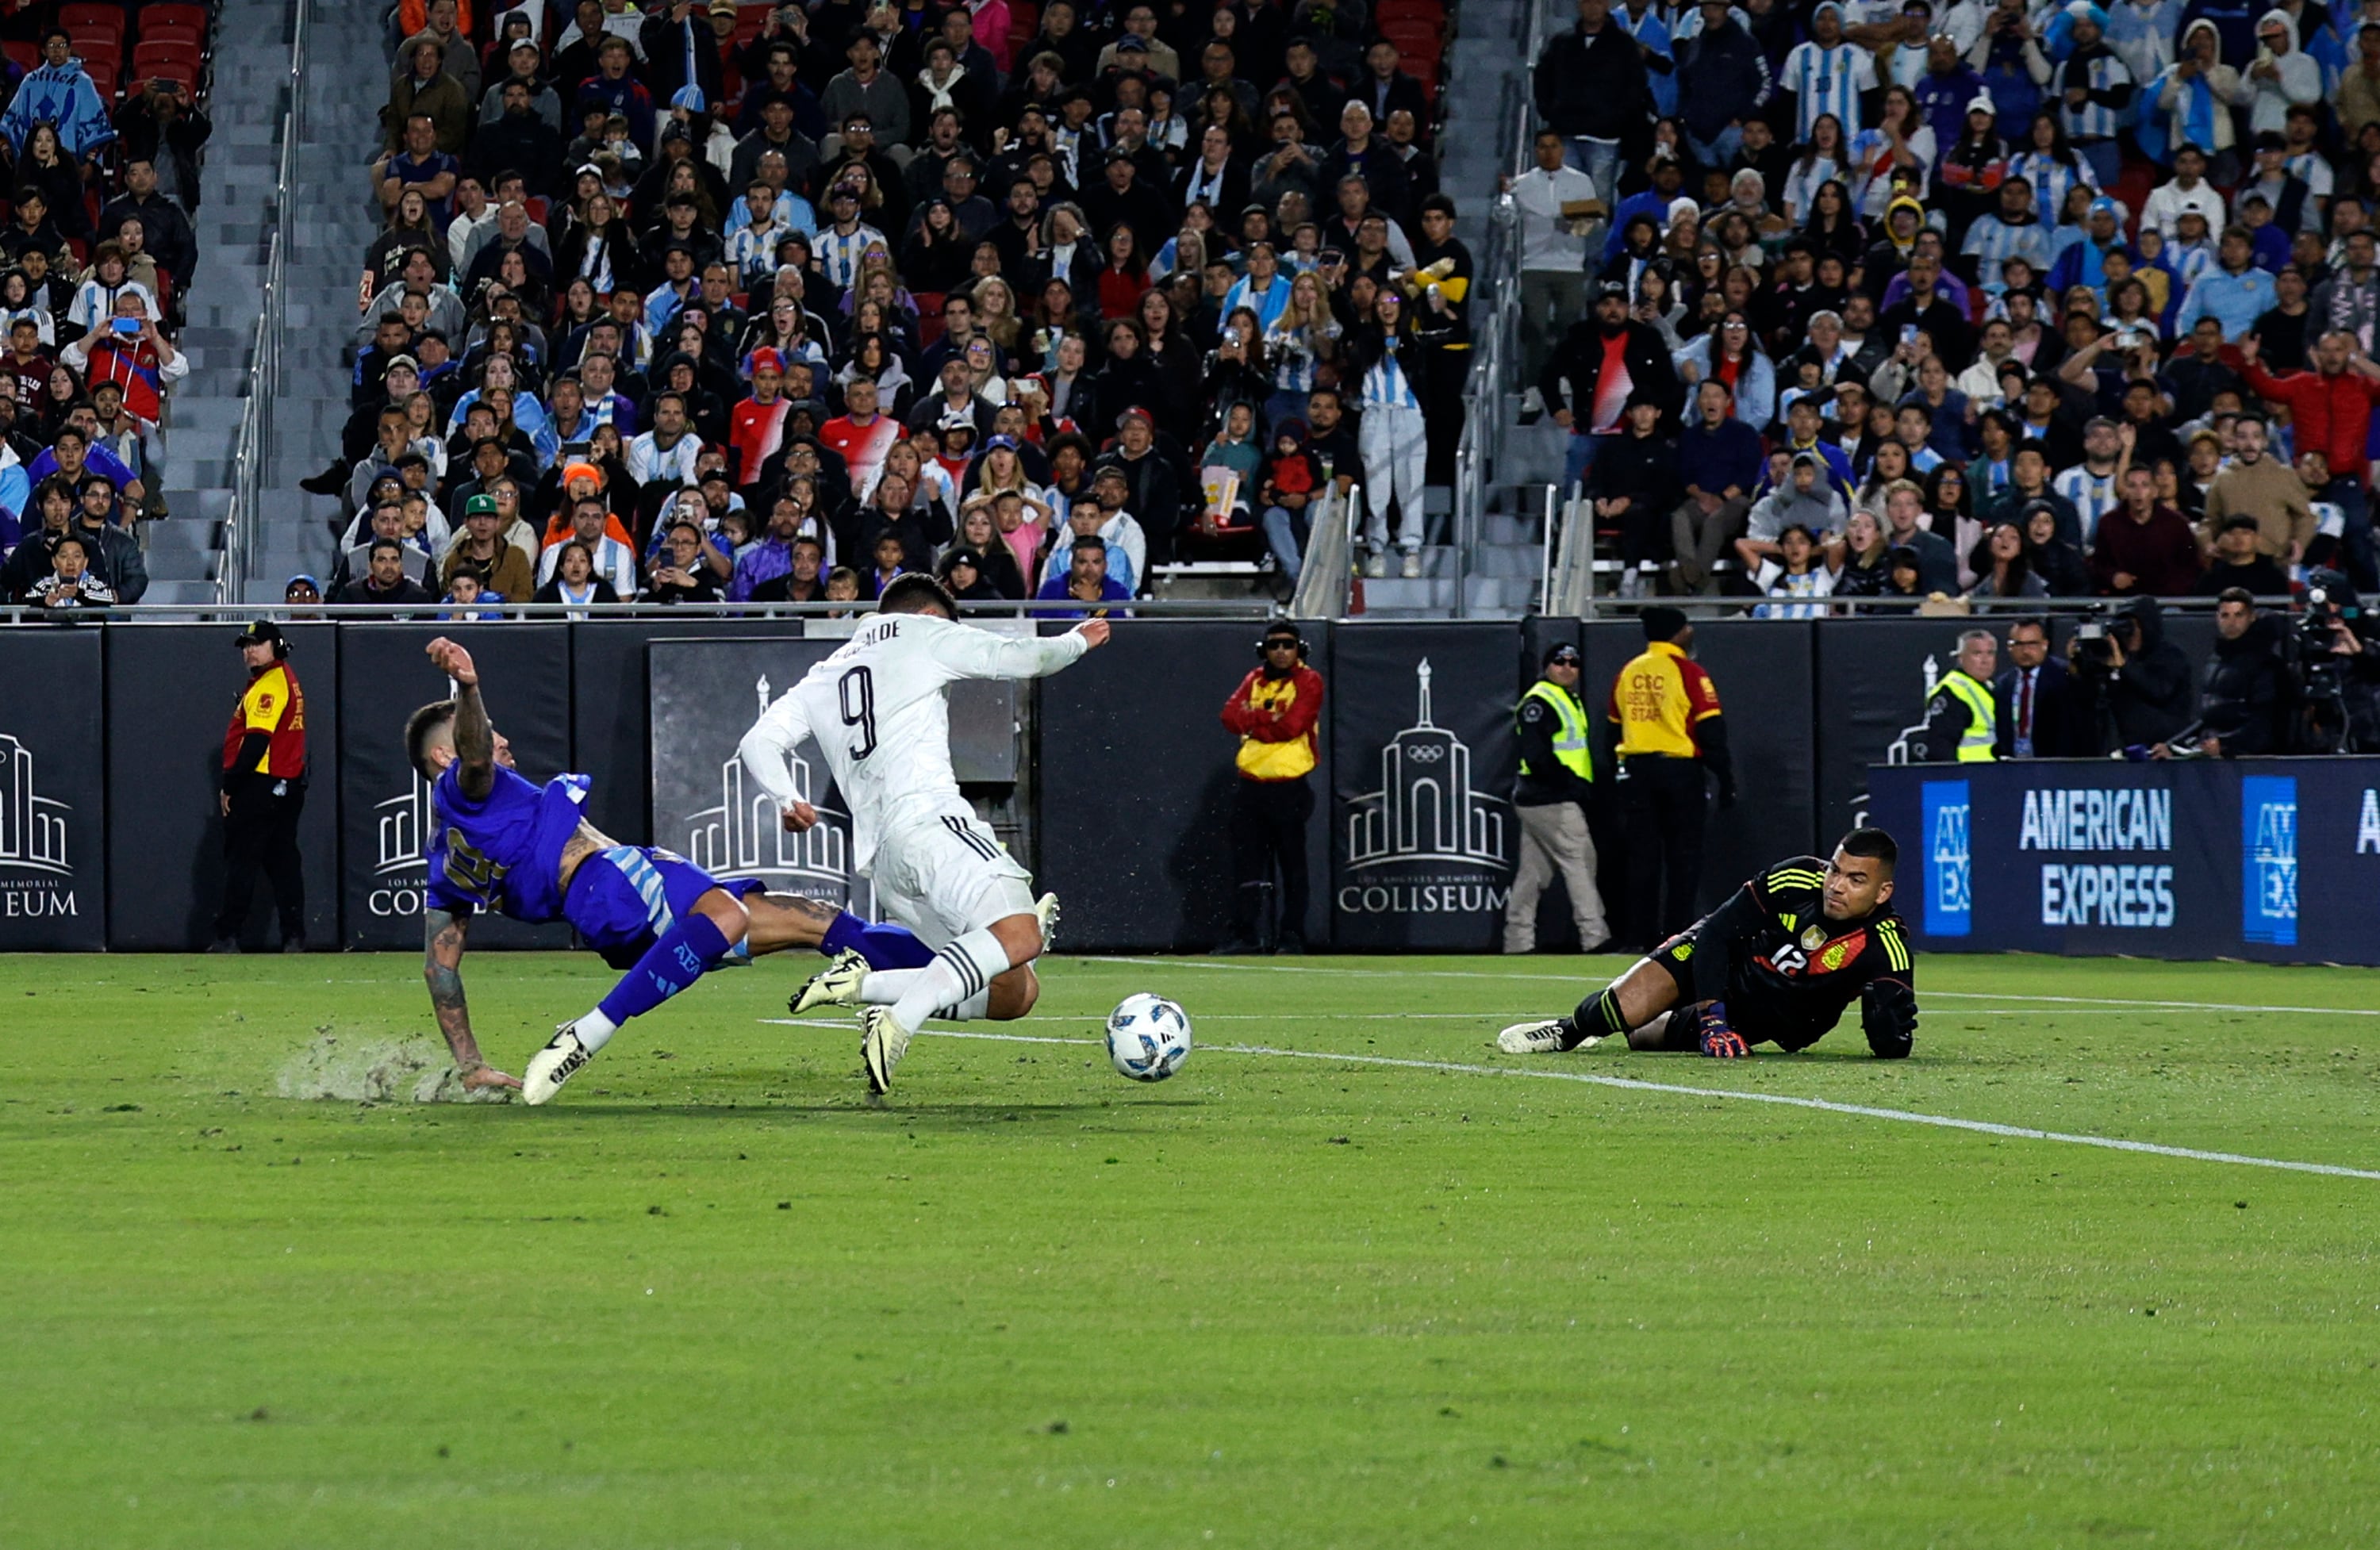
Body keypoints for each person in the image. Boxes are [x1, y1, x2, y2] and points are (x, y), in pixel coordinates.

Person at [407, 637, 945, 1102]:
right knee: (729, 916)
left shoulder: (445, 860)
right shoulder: (464, 788)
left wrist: (470, 1064)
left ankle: (955, 964)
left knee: (815, 920)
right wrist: (469, 688)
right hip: (607, 883)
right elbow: (477, 757)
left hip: (616, 910)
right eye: (486, 731)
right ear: (442, 758)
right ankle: (584, 1036)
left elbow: (441, 969)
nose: (501, 741)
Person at [741, 574, 1109, 1095]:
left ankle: (860, 986)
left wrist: (785, 797)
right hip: (934, 826)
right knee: (1021, 935)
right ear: (930, 616)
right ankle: (900, 1020)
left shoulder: (824, 674)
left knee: (1015, 992)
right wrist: (1079, 640)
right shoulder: (923, 633)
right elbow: (1024, 657)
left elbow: (758, 741)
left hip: (887, 867)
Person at [1495, 830, 1916, 1061]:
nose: (1837, 886)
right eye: (1835, 871)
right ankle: (1569, 1031)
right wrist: (1713, 1018)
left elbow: (1893, 1045)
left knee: (1641, 1037)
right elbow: (1718, 932)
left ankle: (1653, 1021)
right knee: (1625, 1007)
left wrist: (1888, 1030)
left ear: (1883, 893)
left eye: (1856, 880)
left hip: (1764, 1015)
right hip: (1721, 958)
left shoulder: (1888, 943)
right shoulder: (1798, 877)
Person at [1609, 606, 1735, 949]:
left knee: (1641, 859)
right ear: (1678, 633)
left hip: (1636, 773)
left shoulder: (1628, 672)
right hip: (1679, 773)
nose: (1690, 632)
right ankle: (1677, 937)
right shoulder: (1689, 672)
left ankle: (1637, 938)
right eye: (1686, 627)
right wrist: (1725, 779)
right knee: (1685, 858)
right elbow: (1711, 730)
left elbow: (1612, 729)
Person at [1214, 622, 1326, 955]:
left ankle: (1291, 936)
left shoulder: (1309, 681)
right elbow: (1229, 716)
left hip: (1289, 785)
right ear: (1265, 649)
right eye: (1274, 645)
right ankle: (1246, 934)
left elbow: (1293, 725)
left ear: (1299, 649)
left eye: (1288, 645)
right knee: (1246, 863)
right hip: (1251, 785)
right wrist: (1269, 720)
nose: (1281, 651)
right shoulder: (1255, 679)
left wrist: (1255, 721)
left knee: (1291, 864)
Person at [1503, 642, 1611, 955]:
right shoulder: (1540, 701)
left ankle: (1517, 940)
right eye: (1559, 662)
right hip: (1549, 797)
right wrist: (1571, 783)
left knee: (1533, 872)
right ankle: (1595, 936)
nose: (1567, 668)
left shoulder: (1565, 698)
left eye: (1573, 663)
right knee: (1579, 861)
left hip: (1541, 797)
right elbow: (1537, 756)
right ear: (1547, 665)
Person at [210, 620, 309, 954]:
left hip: (262, 784)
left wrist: (230, 785)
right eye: (246, 645)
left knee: (242, 861)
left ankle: (227, 936)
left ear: (276, 646)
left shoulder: (270, 684)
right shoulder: (284, 678)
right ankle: (294, 936)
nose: (249, 651)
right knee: (283, 864)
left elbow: (256, 743)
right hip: (286, 783)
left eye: (257, 644)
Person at [2153, 588, 2287, 758]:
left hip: (2253, 763)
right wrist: (2172, 746)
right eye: (2225, 616)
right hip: (2215, 760)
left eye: (2239, 615)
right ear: (2217, 618)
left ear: (2252, 618)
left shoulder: (2266, 664)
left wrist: (2226, 745)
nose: (2232, 623)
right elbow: (2208, 717)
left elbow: (2265, 722)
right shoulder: (2214, 661)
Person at [2068, 595, 2195, 752]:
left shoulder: (2171, 656)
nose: (2129, 634)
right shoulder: (2115, 656)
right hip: (2123, 750)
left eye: (2133, 627)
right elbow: (2087, 699)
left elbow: (2159, 690)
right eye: (2124, 627)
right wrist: (2077, 665)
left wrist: (2124, 666)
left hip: (2164, 752)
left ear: (2147, 627)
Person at [1994, 616, 2089, 758]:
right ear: (2009, 647)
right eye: (2019, 644)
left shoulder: (2066, 678)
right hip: (2013, 766)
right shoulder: (2004, 684)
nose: (2025, 651)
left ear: (2045, 645)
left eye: (2032, 644)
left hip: (2055, 765)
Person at [1914, 627, 1999, 762]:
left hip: (1992, 773)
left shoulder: (1987, 687)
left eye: (1990, 653)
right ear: (1960, 658)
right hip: (1969, 775)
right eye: (1977, 654)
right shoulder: (1952, 691)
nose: (1985, 660)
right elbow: (1940, 745)